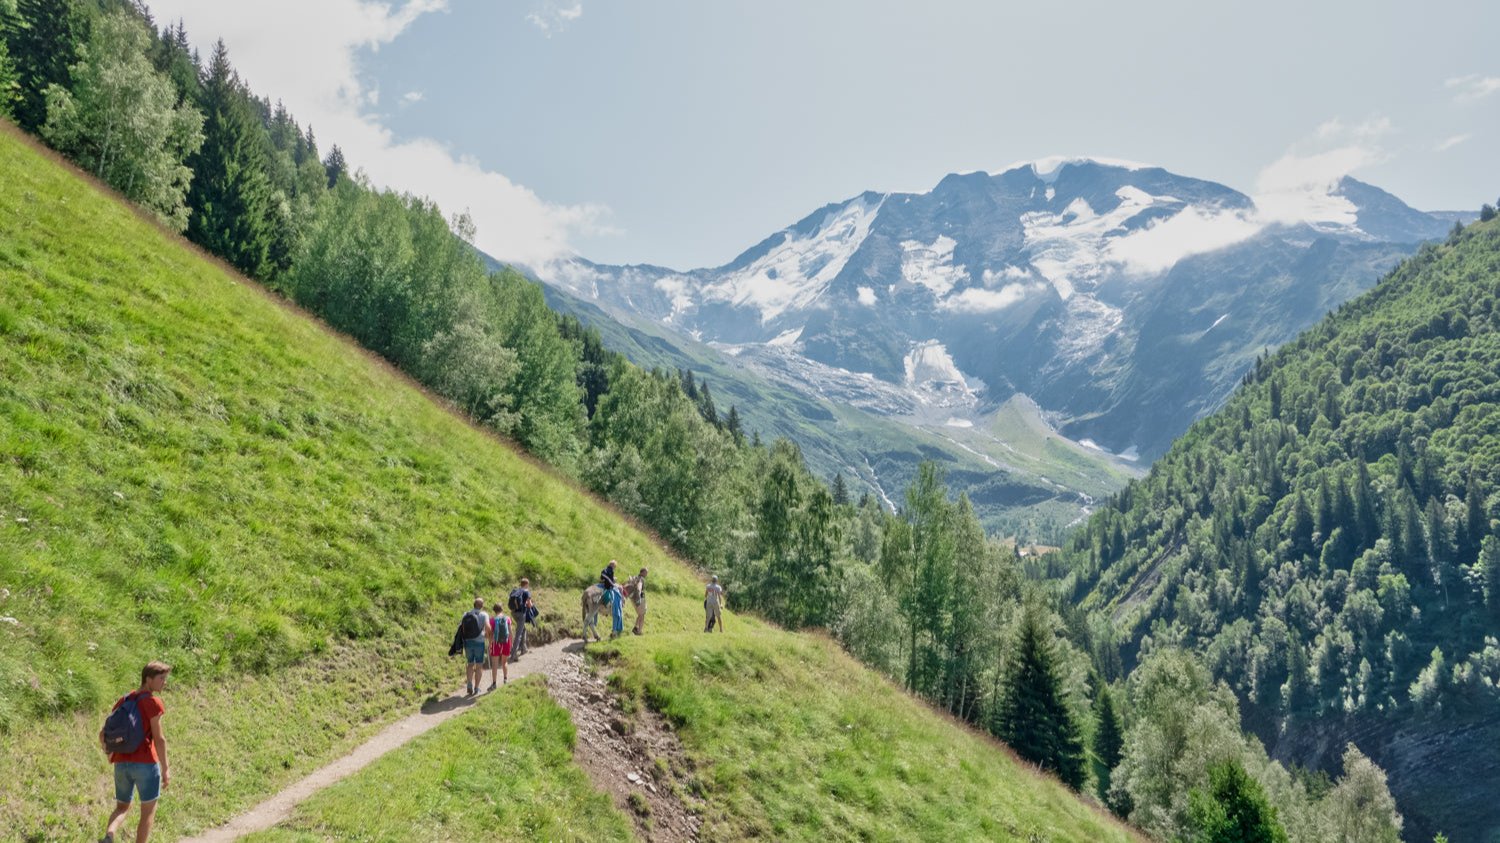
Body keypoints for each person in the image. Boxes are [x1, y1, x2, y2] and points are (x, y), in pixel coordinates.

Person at [99, 661, 171, 843]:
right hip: (146, 765)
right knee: (147, 814)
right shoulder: (153, 702)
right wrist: (165, 768)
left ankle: (109, 835)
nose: (165, 682)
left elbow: (103, 734)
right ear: (148, 679)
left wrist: (110, 754)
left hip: (121, 764)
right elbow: (159, 739)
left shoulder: (124, 700)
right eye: (161, 678)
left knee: (122, 807)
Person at [461, 598, 489, 697]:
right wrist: (488, 636)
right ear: (482, 606)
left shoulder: (466, 614)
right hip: (479, 643)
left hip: (468, 642)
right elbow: (488, 626)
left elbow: (461, 628)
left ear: (474, 604)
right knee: (479, 665)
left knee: (470, 664)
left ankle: (469, 684)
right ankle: (476, 688)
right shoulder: (484, 614)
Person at [488, 603, 511, 690]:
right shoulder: (507, 618)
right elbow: (510, 632)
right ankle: (505, 680)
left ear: (494, 611)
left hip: (496, 643)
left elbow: (490, 634)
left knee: (495, 664)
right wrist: (511, 643)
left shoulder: (492, 620)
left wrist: (490, 644)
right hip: (506, 642)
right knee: (504, 662)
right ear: (502, 609)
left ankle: (494, 684)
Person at [508, 578, 532, 662]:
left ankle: (523, 648)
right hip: (521, 614)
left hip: (513, 613)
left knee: (523, 629)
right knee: (519, 634)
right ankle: (513, 654)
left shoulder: (515, 590)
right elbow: (529, 605)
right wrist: (530, 605)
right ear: (526, 584)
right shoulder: (526, 591)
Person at [626, 567, 648, 635]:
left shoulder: (635, 577)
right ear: (642, 572)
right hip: (640, 598)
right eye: (646, 572)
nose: (647, 574)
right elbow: (639, 588)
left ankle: (635, 628)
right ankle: (639, 631)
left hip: (633, 599)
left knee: (640, 614)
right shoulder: (641, 579)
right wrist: (639, 597)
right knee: (642, 615)